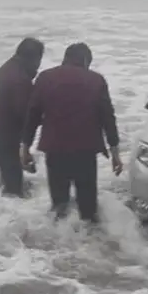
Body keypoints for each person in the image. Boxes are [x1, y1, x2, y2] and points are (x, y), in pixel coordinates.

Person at [20, 42, 123, 223]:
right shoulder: (96, 80)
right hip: (85, 152)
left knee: (59, 206)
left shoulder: (45, 78)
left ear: (65, 58)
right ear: (84, 61)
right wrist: (115, 153)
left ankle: (59, 245)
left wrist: (25, 147)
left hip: (55, 151)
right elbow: (108, 117)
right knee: (88, 208)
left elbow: (33, 115)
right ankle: (91, 242)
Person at [0, 37, 44, 197]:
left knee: (10, 173)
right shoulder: (19, 80)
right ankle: (6, 215)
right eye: (39, 61)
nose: (38, 66)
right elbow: (25, 114)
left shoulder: (9, 68)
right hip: (5, 133)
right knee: (14, 184)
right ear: (33, 58)